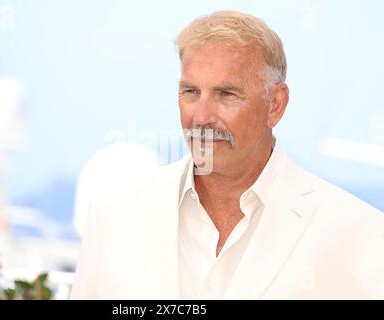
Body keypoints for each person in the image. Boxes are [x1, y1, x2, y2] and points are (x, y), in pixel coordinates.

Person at [70, 10, 384, 299]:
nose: (202, 116)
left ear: (275, 105)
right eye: (191, 92)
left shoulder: (358, 234)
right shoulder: (113, 215)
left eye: (226, 94)